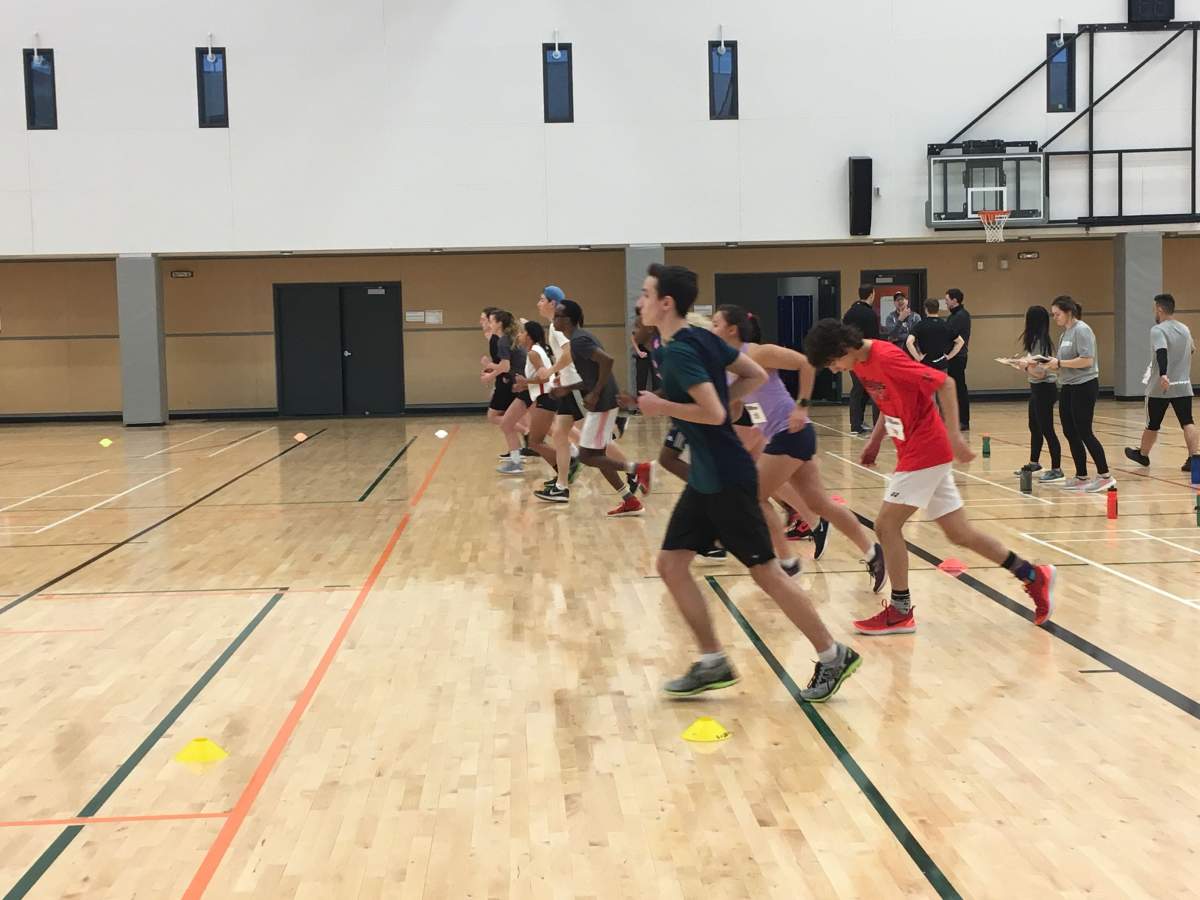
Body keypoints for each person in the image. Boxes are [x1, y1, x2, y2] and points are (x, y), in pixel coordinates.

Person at [635, 264, 861, 702]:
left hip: (724, 477)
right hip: (706, 478)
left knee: (767, 574)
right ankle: (712, 660)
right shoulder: (703, 338)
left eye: (645, 294)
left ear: (666, 303)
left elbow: (716, 414)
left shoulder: (679, 351)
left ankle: (832, 654)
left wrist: (662, 405)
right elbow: (753, 377)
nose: (639, 302)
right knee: (671, 564)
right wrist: (721, 398)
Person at [803, 318, 1055, 636]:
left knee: (886, 525)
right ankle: (1033, 575)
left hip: (926, 449)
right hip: (912, 449)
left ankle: (900, 610)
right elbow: (888, 402)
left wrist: (955, 437)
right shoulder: (862, 364)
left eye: (832, 363)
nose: (835, 370)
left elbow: (945, 384)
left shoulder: (888, 358)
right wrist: (875, 440)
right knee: (960, 533)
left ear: (843, 348)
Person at [710, 305, 887, 592]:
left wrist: (802, 406)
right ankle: (872, 553)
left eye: (715, 323)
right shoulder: (728, 365)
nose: (711, 328)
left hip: (790, 432)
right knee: (819, 504)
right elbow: (741, 407)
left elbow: (806, 363)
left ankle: (788, 563)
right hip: (785, 435)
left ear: (731, 329)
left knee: (754, 496)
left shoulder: (757, 352)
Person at [549, 299, 650, 517]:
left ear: (569, 320)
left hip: (603, 403)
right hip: (602, 402)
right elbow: (591, 375)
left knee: (586, 456)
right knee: (598, 455)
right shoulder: (577, 339)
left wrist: (595, 393)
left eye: (558, 316)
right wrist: (567, 388)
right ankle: (629, 500)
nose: (554, 319)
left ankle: (638, 469)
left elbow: (608, 361)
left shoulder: (579, 340)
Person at [1045, 296, 1114, 493]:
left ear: (1068, 312)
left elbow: (1086, 360)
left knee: (1085, 431)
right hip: (1068, 386)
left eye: (1057, 314)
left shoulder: (1082, 330)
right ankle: (1081, 475)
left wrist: (1059, 363)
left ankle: (1105, 475)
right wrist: (1043, 364)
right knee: (1070, 431)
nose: (1055, 318)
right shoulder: (1064, 334)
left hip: (1084, 386)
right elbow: (1061, 364)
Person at [1124, 293, 1199, 473]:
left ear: (1159, 309)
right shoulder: (1185, 328)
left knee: (1153, 424)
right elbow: (1192, 350)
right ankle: (1193, 458)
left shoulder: (1158, 330)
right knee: (1187, 421)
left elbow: (1162, 351)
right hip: (1182, 384)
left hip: (1160, 388)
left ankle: (1143, 454)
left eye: (1154, 309)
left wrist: (1164, 374)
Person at [1014, 305, 1063, 482]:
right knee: (1034, 426)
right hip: (1036, 389)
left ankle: (1057, 468)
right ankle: (1034, 462)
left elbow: (1041, 372)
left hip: (1044, 388)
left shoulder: (1040, 342)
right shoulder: (1035, 340)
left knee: (1047, 429)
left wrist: (1024, 366)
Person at [842, 285, 880, 435]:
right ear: (871, 294)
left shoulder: (849, 313)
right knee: (876, 389)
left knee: (857, 389)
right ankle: (878, 425)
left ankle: (856, 425)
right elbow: (874, 338)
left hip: (851, 357)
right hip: (867, 356)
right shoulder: (870, 314)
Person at [906, 298, 961, 371]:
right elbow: (960, 342)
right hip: (941, 363)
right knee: (941, 382)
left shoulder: (920, 325)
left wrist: (918, 358)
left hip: (925, 363)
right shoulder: (945, 325)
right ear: (938, 309)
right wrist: (948, 356)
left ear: (925, 309)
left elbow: (909, 342)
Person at [944, 288, 972, 431]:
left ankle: (964, 421)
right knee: (954, 388)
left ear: (955, 300)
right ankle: (956, 419)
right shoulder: (954, 315)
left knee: (960, 388)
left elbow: (949, 335)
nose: (946, 302)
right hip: (953, 356)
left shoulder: (961, 316)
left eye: (947, 300)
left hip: (958, 356)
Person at [630, 313, 661, 396]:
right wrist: (638, 352)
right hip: (642, 353)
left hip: (653, 352)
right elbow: (633, 336)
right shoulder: (640, 322)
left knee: (656, 379)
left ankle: (656, 402)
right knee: (641, 379)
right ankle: (640, 402)